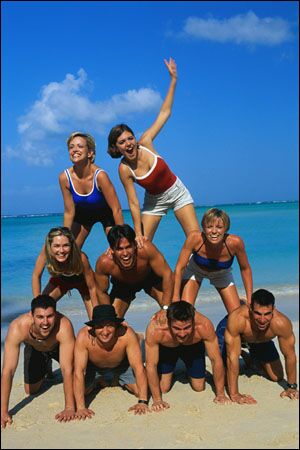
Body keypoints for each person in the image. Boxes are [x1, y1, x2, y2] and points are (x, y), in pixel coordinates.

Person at [107, 58, 200, 247]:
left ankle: (191, 274)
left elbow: (165, 113)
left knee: (196, 241)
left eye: (130, 138)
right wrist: (139, 234)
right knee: (140, 246)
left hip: (177, 192)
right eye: (122, 142)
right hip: (153, 202)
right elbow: (133, 203)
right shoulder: (124, 169)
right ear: (116, 148)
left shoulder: (146, 141)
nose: (129, 144)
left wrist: (173, 79)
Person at [1, 295, 76, 429]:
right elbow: (8, 370)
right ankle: (45, 364)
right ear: (31, 315)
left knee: (81, 383)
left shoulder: (64, 326)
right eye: (40, 317)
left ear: (56, 314)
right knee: (31, 390)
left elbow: (66, 369)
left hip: (58, 347)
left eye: (50, 316)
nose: (45, 322)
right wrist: (3, 411)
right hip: (35, 348)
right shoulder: (17, 327)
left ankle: (48, 362)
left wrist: (69, 407)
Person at [145, 301, 230, 411]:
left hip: (193, 348)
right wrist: (157, 400)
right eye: (177, 328)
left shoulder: (204, 325)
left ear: (193, 322)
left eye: (187, 327)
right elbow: (151, 365)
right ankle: (172, 371)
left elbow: (215, 359)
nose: (182, 333)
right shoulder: (156, 329)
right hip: (167, 349)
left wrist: (220, 394)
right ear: (169, 322)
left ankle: (189, 371)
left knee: (199, 388)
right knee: (163, 388)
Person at [73, 304, 150, 418]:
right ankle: (99, 381)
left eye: (109, 326)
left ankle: (117, 377)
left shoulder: (126, 334)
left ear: (117, 326)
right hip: (94, 367)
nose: (105, 332)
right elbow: (79, 372)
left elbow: (138, 368)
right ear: (93, 328)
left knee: (141, 392)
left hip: (122, 364)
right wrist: (80, 408)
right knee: (80, 393)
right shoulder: (84, 336)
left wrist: (142, 402)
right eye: (99, 326)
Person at [224, 289, 299, 404]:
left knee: (277, 377)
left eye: (267, 314)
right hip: (237, 335)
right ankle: (243, 351)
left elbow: (290, 355)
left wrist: (292, 387)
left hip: (261, 339)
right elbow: (232, 358)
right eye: (258, 313)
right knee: (224, 378)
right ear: (250, 309)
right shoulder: (237, 318)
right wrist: (234, 394)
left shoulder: (281, 323)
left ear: (273, 309)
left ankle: (252, 358)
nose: (263, 320)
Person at [173, 208, 253, 313]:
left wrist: (250, 300)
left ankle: (241, 303)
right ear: (203, 228)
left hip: (222, 274)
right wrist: (175, 296)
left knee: (236, 315)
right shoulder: (194, 238)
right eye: (209, 227)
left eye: (219, 227)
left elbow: (245, 269)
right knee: (186, 311)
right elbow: (180, 267)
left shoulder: (235, 243)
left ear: (226, 229)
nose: (214, 231)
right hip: (195, 271)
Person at [59, 131, 123, 249]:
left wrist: (122, 237)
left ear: (90, 153)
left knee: (118, 249)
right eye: (71, 147)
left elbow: (116, 209)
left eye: (80, 146)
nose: (74, 149)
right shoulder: (64, 177)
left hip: (106, 214)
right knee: (70, 252)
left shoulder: (100, 176)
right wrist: (64, 237)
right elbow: (69, 212)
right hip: (84, 215)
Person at [94, 224, 173, 318]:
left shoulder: (146, 249)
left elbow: (167, 274)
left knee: (171, 311)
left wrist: (165, 308)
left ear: (135, 245)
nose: (125, 253)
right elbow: (101, 292)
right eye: (119, 249)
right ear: (111, 250)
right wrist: (107, 317)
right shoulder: (105, 263)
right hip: (123, 285)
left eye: (128, 247)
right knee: (112, 320)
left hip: (149, 278)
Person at [32, 227, 99, 320]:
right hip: (61, 280)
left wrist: (97, 312)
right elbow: (36, 275)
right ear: (50, 246)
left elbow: (92, 287)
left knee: (96, 320)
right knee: (41, 310)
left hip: (83, 282)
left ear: (71, 246)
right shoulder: (45, 252)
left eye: (66, 245)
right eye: (56, 246)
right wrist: (36, 302)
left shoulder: (81, 258)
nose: (61, 250)